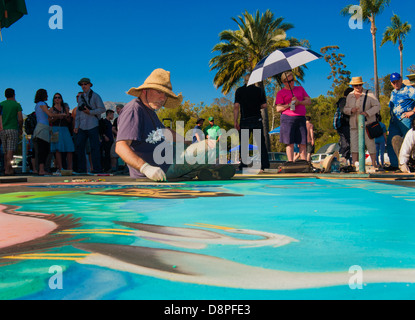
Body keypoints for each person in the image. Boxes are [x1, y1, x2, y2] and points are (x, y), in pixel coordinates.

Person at [115, 68, 235, 182]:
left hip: (171, 161)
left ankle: (200, 171)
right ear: (145, 90)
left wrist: (188, 142)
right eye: (159, 92)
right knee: (211, 147)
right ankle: (204, 170)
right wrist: (145, 168)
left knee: (209, 151)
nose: (163, 98)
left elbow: (166, 131)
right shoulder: (134, 109)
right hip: (159, 169)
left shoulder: (151, 112)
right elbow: (120, 147)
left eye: (166, 95)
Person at [234, 74, 270, 171]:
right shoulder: (259, 90)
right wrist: (256, 105)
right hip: (256, 118)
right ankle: (265, 165)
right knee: (260, 143)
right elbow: (264, 105)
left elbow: (236, 107)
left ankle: (244, 165)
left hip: (245, 119)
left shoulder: (239, 91)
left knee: (244, 143)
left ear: (244, 80)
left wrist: (235, 121)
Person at [343, 76, 380, 168]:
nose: (358, 87)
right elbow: (345, 109)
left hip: (367, 124)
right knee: (354, 144)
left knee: (370, 143)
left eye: (359, 85)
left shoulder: (369, 93)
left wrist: (367, 113)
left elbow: (377, 106)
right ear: (353, 86)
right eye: (356, 85)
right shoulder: (350, 96)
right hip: (354, 124)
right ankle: (355, 164)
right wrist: (351, 110)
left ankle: (374, 164)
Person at [275, 71, 312, 162]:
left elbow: (308, 101)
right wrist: (289, 104)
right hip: (287, 118)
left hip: (300, 117)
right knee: (289, 142)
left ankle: (303, 161)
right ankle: (290, 161)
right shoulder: (281, 93)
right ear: (284, 82)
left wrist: (299, 102)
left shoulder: (300, 89)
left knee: (302, 141)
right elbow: (278, 108)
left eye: (292, 80)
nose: (291, 82)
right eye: (289, 81)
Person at [74, 78, 106, 173]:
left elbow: (102, 109)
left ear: (89, 85)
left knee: (94, 147)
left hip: (93, 125)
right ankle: (82, 169)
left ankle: (97, 169)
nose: (83, 86)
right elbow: (79, 113)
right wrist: (76, 125)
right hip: (82, 126)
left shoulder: (96, 96)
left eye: (85, 84)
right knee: (79, 146)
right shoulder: (80, 97)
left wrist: (90, 112)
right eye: (82, 84)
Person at [32, 89, 66, 176]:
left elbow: (47, 117)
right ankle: (41, 169)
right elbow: (50, 115)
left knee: (43, 150)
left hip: (42, 127)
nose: (47, 96)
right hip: (42, 129)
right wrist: (60, 115)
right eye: (46, 94)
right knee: (43, 149)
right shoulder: (42, 104)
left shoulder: (37, 105)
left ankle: (41, 169)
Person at [386, 72, 415, 170]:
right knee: (391, 141)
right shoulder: (393, 92)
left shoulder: (409, 90)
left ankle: (411, 163)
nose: (395, 84)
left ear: (401, 80)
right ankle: (395, 164)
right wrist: (389, 126)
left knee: (409, 141)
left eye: (397, 81)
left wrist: (412, 112)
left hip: (405, 119)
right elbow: (391, 108)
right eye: (393, 82)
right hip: (394, 121)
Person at [0, 88, 23, 175]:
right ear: (14, 94)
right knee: (11, 150)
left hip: (3, 129)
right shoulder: (16, 105)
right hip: (13, 128)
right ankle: (8, 169)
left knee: (5, 151)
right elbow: (20, 119)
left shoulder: (1, 104)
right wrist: (20, 128)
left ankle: (6, 168)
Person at [50, 93, 75, 173]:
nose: (57, 99)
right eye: (55, 98)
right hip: (55, 129)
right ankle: (60, 168)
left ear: (61, 99)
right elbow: (49, 120)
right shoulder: (51, 109)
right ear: (53, 99)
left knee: (69, 147)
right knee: (57, 149)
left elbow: (69, 120)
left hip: (64, 128)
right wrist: (57, 116)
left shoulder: (65, 108)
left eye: (59, 97)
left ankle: (69, 168)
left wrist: (66, 115)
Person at [335, 87, 354, 164]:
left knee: (347, 144)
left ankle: (344, 160)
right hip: (344, 125)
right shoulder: (343, 101)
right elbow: (344, 110)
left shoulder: (342, 101)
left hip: (344, 125)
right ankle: (340, 160)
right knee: (346, 144)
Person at [110, 104, 124, 172]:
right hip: (117, 138)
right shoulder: (116, 119)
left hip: (127, 139)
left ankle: (127, 169)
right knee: (113, 153)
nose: (117, 111)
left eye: (118, 109)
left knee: (128, 153)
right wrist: (119, 134)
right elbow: (113, 129)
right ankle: (114, 169)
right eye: (116, 109)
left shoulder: (128, 118)